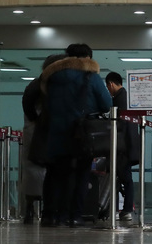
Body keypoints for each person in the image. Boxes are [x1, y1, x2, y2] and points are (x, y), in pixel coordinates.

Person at [40, 43, 113, 227]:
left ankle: (50, 215)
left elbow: (44, 103)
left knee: (55, 174)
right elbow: (105, 104)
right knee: (81, 174)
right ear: (87, 58)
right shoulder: (91, 76)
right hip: (81, 134)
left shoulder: (52, 76)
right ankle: (74, 216)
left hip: (56, 132)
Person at [21, 53, 66, 224]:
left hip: (38, 131)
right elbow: (30, 106)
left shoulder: (38, 83)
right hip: (39, 132)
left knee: (35, 170)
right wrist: (39, 121)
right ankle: (37, 208)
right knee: (40, 170)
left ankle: (32, 209)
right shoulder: (43, 85)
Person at [105, 71, 140, 221]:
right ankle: (124, 208)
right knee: (124, 177)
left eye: (108, 87)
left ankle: (126, 209)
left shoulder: (120, 98)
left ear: (111, 84)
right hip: (127, 144)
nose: (108, 90)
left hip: (122, 145)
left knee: (124, 177)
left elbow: (122, 124)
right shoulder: (125, 97)